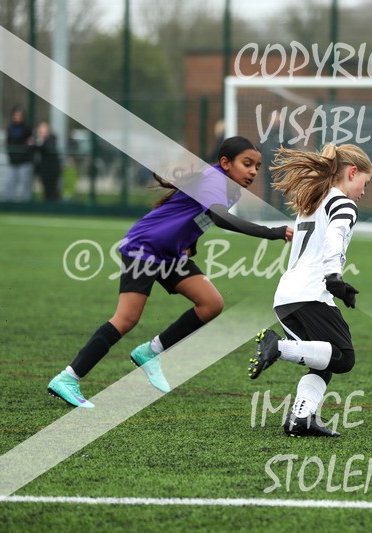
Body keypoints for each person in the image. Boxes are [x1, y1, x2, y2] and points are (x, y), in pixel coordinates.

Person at [47, 136, 294, 408]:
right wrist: (273, 232)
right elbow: (219, 217)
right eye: (247, 164)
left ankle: (150, 352)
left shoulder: (230, 188)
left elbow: (196, 216)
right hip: (145, 247)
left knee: (211, 304)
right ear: (225, 163)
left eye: (257, 166)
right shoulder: (214, 180)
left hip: (169, 253)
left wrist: (191, 245)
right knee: (126, 319)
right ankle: (68, 378)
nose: (253, 171)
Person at [247, 143, 372, 437]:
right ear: (352, 172)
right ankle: (277, 347)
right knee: (344, 357)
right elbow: (335, 236)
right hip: (310, 293)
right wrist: (334, 277)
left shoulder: (314, 199)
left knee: (323, 360)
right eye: (365, 183)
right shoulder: (342, 202)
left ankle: (300, 419)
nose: (364, 192)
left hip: (287, 296)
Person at [5, 105, 34, 202]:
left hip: (24, 162)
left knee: (25, 184)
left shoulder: (27, 128)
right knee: (10, 183)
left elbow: (30, 143)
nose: (17, 117)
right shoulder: (10, 128)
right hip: (12, 161)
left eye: (19, 115)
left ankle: (25, 204)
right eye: (15, 115)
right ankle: (9, 203)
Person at [33, 121, 62, 201]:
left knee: (53, 191)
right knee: (46, 191)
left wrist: (41, 140)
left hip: (53, 170)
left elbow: (46, 149)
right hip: (44, 170)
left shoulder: (52, 138)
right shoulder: (38, 140)